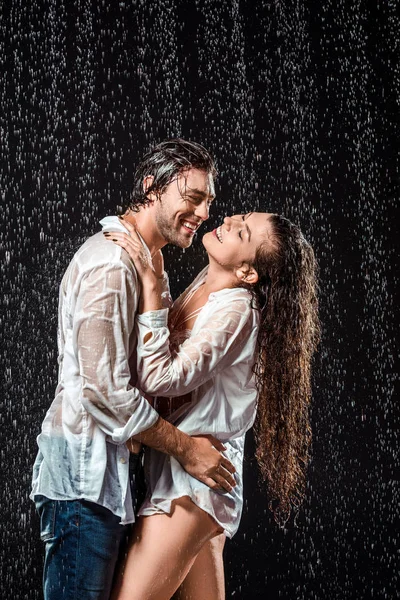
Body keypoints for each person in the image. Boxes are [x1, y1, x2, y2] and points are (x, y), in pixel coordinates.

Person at [31, 139, 238, 600]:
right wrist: (187, 449)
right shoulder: (112, 263)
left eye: (209, 201)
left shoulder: (147, 265)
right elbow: (105, 393)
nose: (204, 212)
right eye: (193, 197)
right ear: (152, 187)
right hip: (81, 486)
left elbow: (152, 370)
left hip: (106, 484)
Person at [107, 211, 320, 600]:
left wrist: (153, 287)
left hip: (197, 479)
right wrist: (154, 273)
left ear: (248, 273)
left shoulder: (237, 309)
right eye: (241, 215)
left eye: (244, 232)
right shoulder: (207, 283)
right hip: (188, 467)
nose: (230, 220)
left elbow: (163, 378)